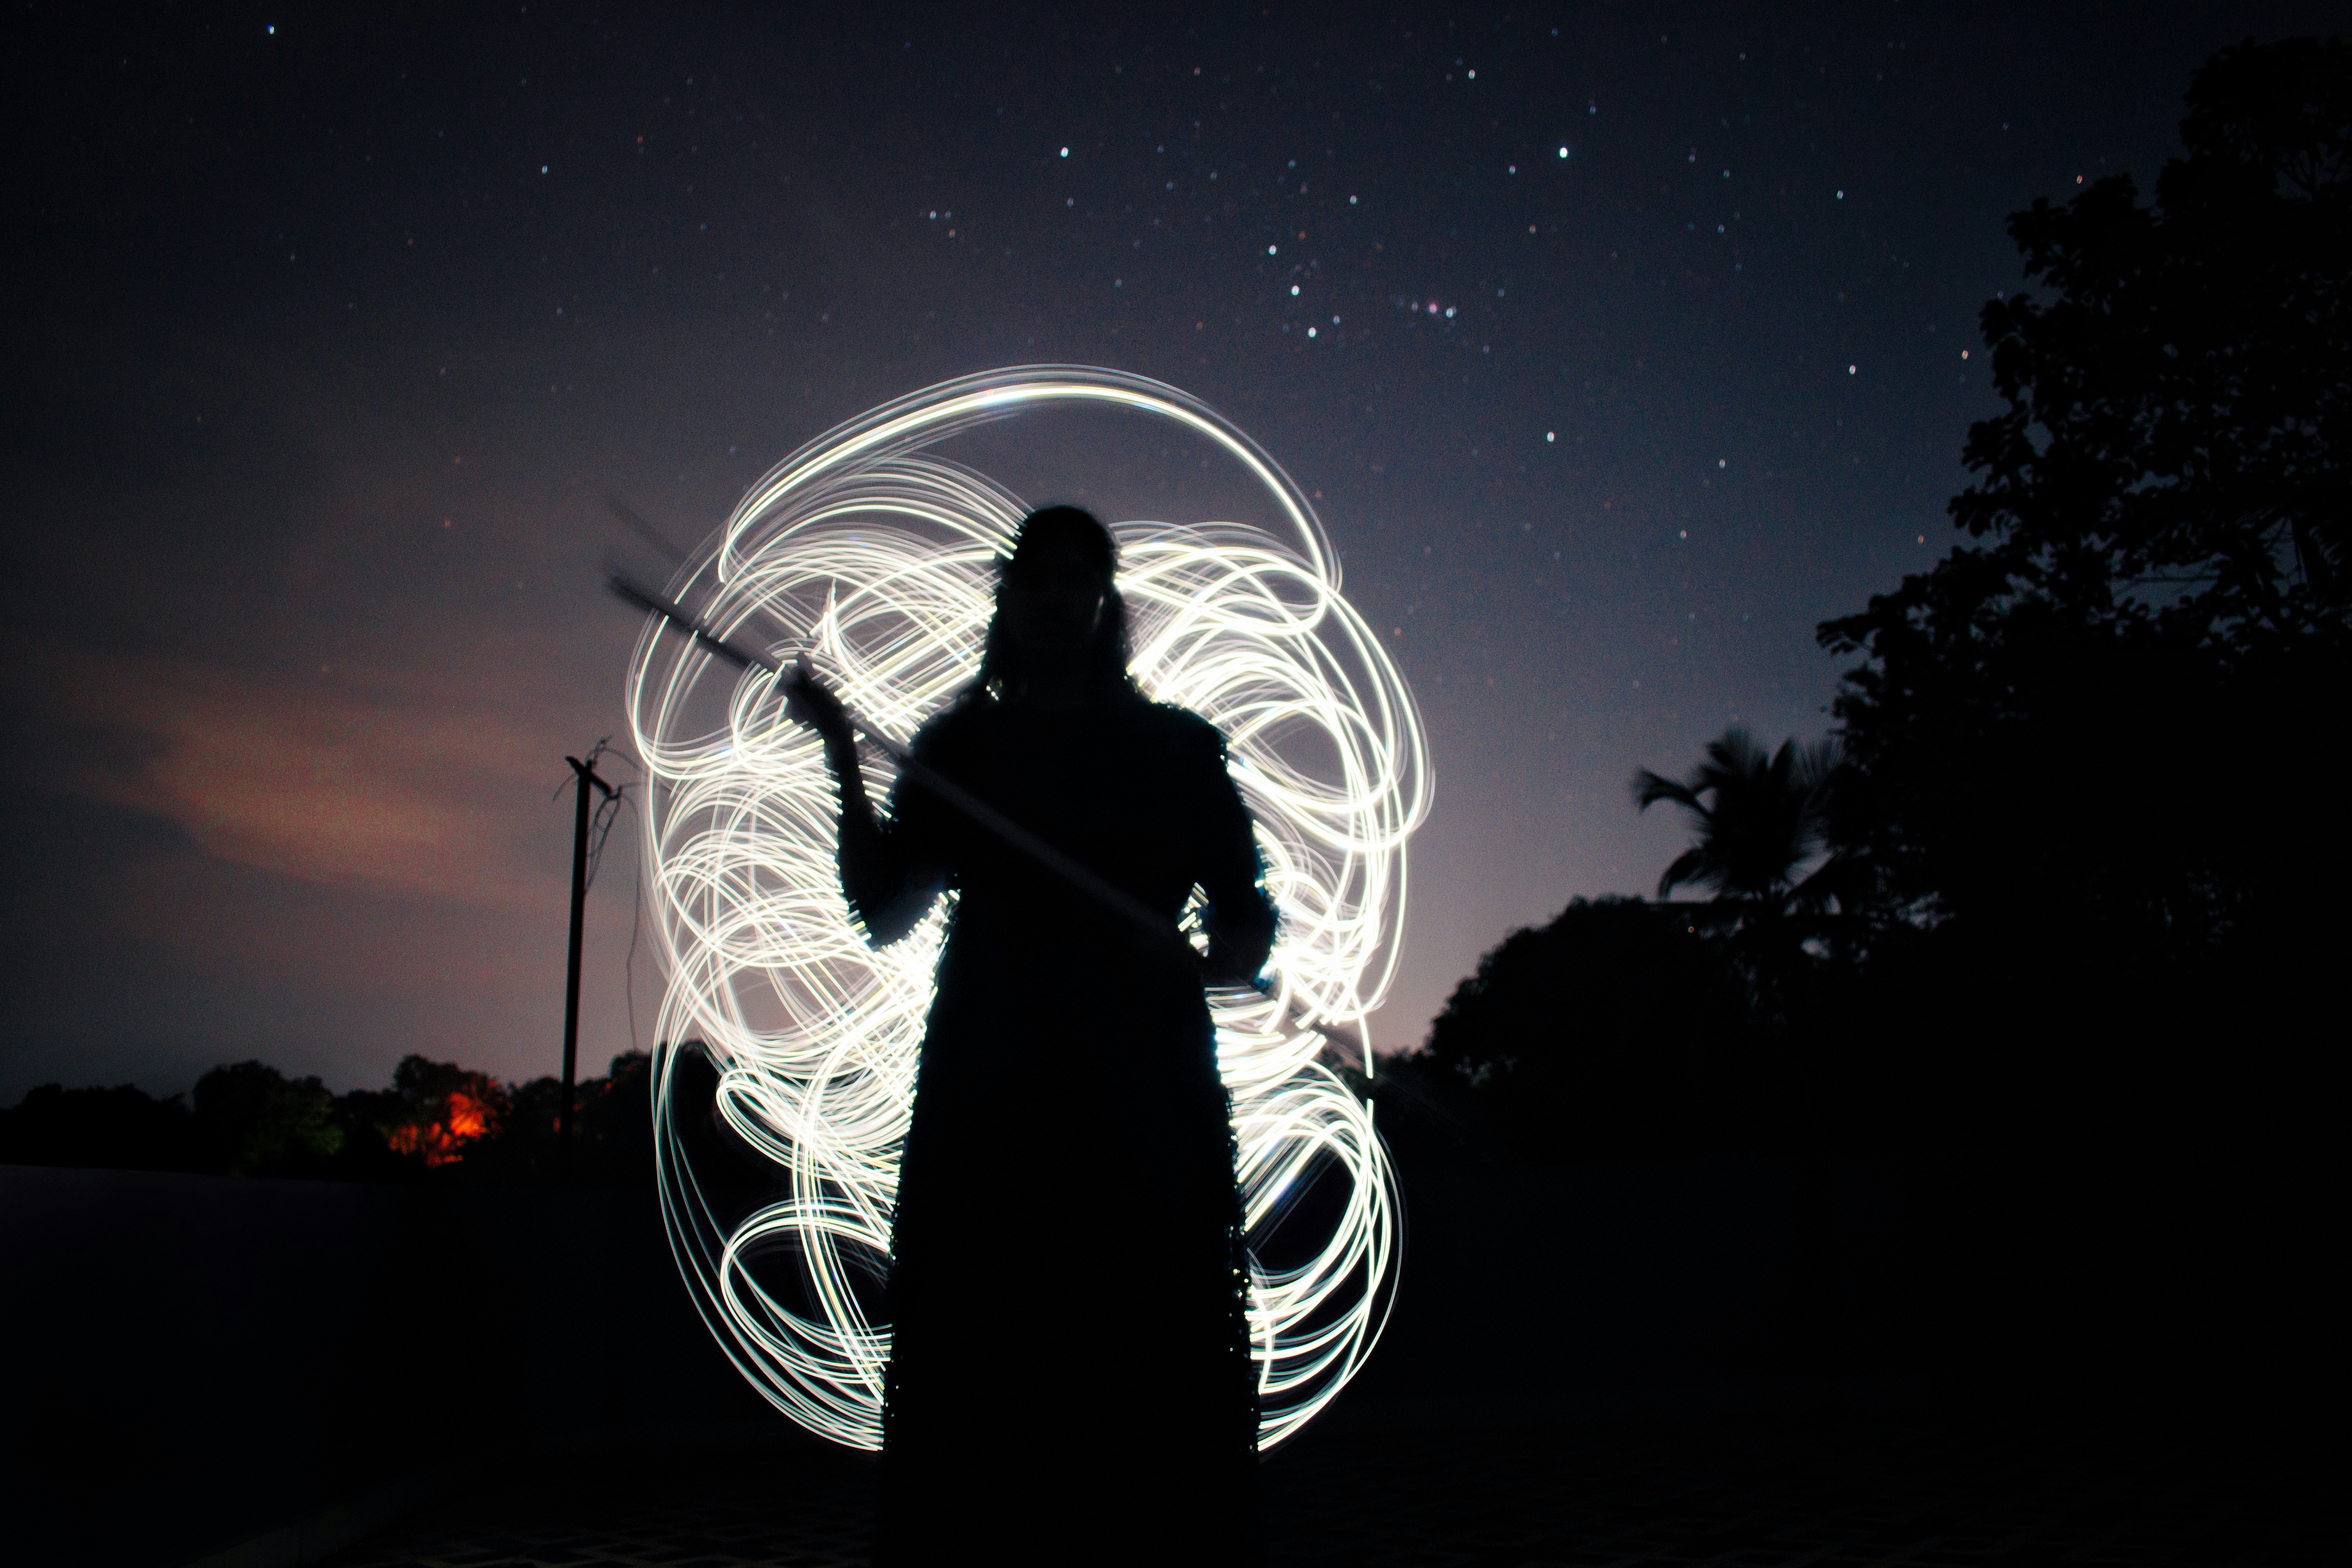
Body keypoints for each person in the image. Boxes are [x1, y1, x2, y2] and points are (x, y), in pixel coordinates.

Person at [784, 506, 1277, 1566]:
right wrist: (839, 754)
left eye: (1077, 578)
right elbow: (883, 910)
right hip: (992, 1087)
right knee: (986, 1354)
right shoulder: (963, 749)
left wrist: (1199, 963)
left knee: (1142, 1352)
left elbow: (1245, 926)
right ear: (1008, 601)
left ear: (1105, 606)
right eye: (1036, 578)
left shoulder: (1176, 752)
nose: (1056, 595)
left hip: (1142, 1096)